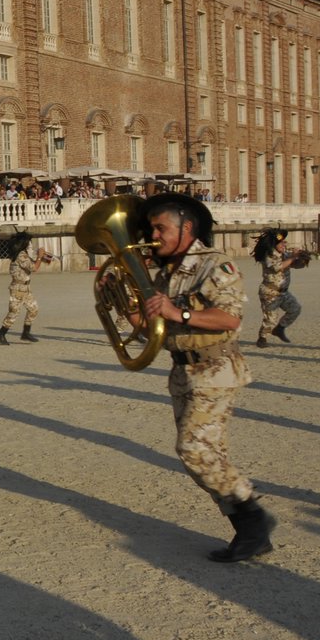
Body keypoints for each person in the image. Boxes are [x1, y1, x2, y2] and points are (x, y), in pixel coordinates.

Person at [132, 192, 273, 562]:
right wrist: (128, 310)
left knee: (194, 450)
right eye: (152, 228)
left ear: (187, 226)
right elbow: (153, 330)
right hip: (183, 371)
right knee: (208, 458)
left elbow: (230, 319)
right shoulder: (165, 273)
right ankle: (249, 533)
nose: (154, 234)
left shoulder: (216, 264)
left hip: (215, 370)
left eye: (160, 227)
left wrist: (180, 313)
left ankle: (255, 518)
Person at [252, 228, 305, 348]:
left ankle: (279, 329)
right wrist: (292, 258)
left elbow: (297, 266)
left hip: (283, 292)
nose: (284, 245)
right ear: (274, 245)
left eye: (284, 242)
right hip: (270, 292)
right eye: (281, 243)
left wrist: (301, 258)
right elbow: (277, 267)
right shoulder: (269, 255)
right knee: (270, 320)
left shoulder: (285, 254)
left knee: (295, 309)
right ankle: (262, 338)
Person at [0, 233, 46, 344]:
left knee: (34, 309)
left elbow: (32, 263)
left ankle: (26, 333)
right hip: (18, 289)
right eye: (29, 243)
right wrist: (40, 256)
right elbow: (34, 268)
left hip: (25, 288)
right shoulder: (21, 256)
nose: (31, 245)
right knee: (13, 313)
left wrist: (41, 258)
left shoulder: (23, 254)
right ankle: (1, 334)